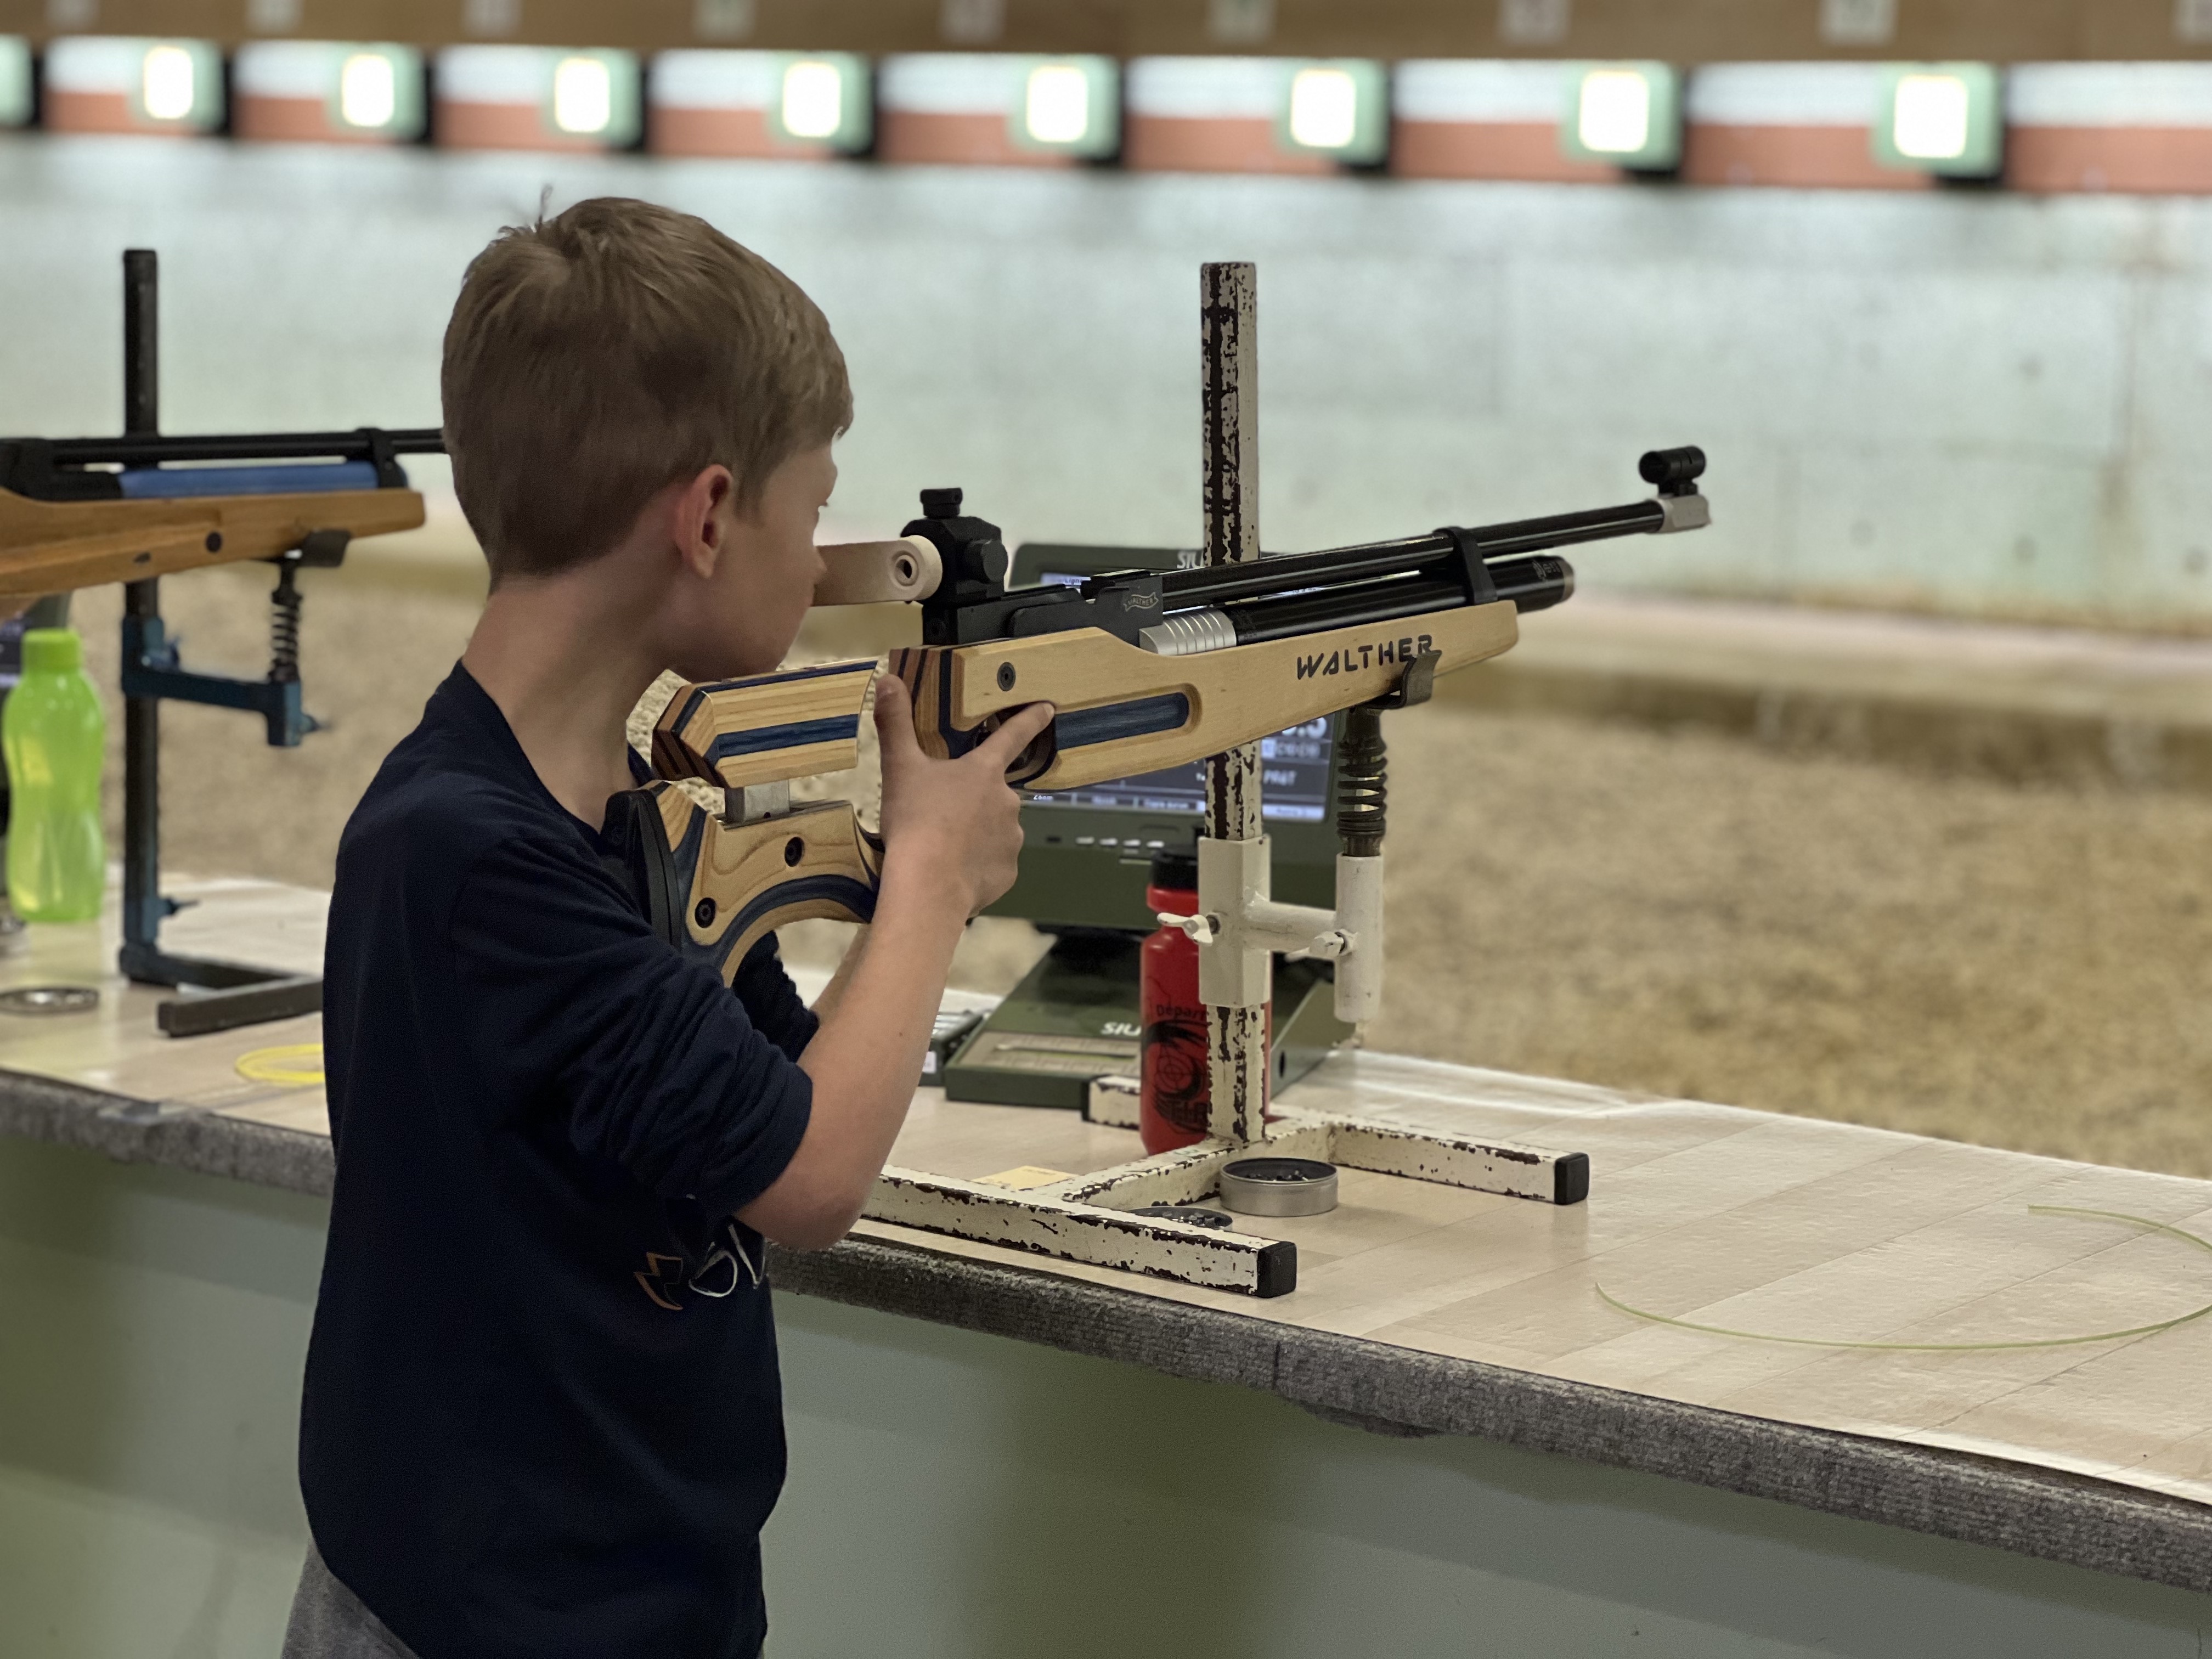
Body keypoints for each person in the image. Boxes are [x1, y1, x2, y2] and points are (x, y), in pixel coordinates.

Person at [281, 197, 1053, 1659]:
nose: (825, 558)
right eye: (811, 508)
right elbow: (812, 1175)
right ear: (706, 517)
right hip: (490, 1624)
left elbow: (778, 1092)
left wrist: (869, 860)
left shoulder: (611, 820)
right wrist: (934, 881)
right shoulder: (472, 855)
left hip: (612, 1599)